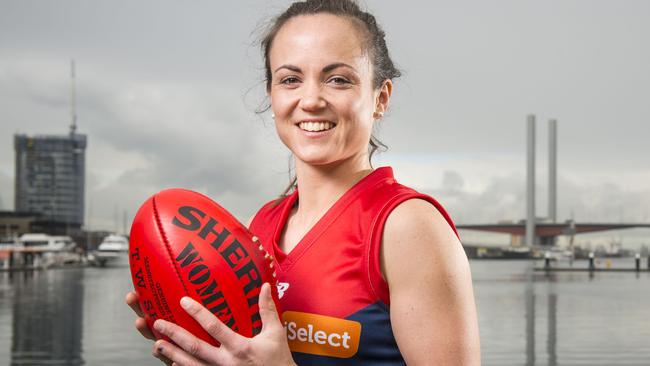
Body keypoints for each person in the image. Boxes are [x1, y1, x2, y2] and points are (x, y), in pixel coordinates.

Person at [126, 0, 481, 365]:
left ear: (380, 98)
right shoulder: (259, 226)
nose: (310, 100)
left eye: (338, 79)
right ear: (272, 95)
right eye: (290, 79)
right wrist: (200, 348)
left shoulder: (406, 227)